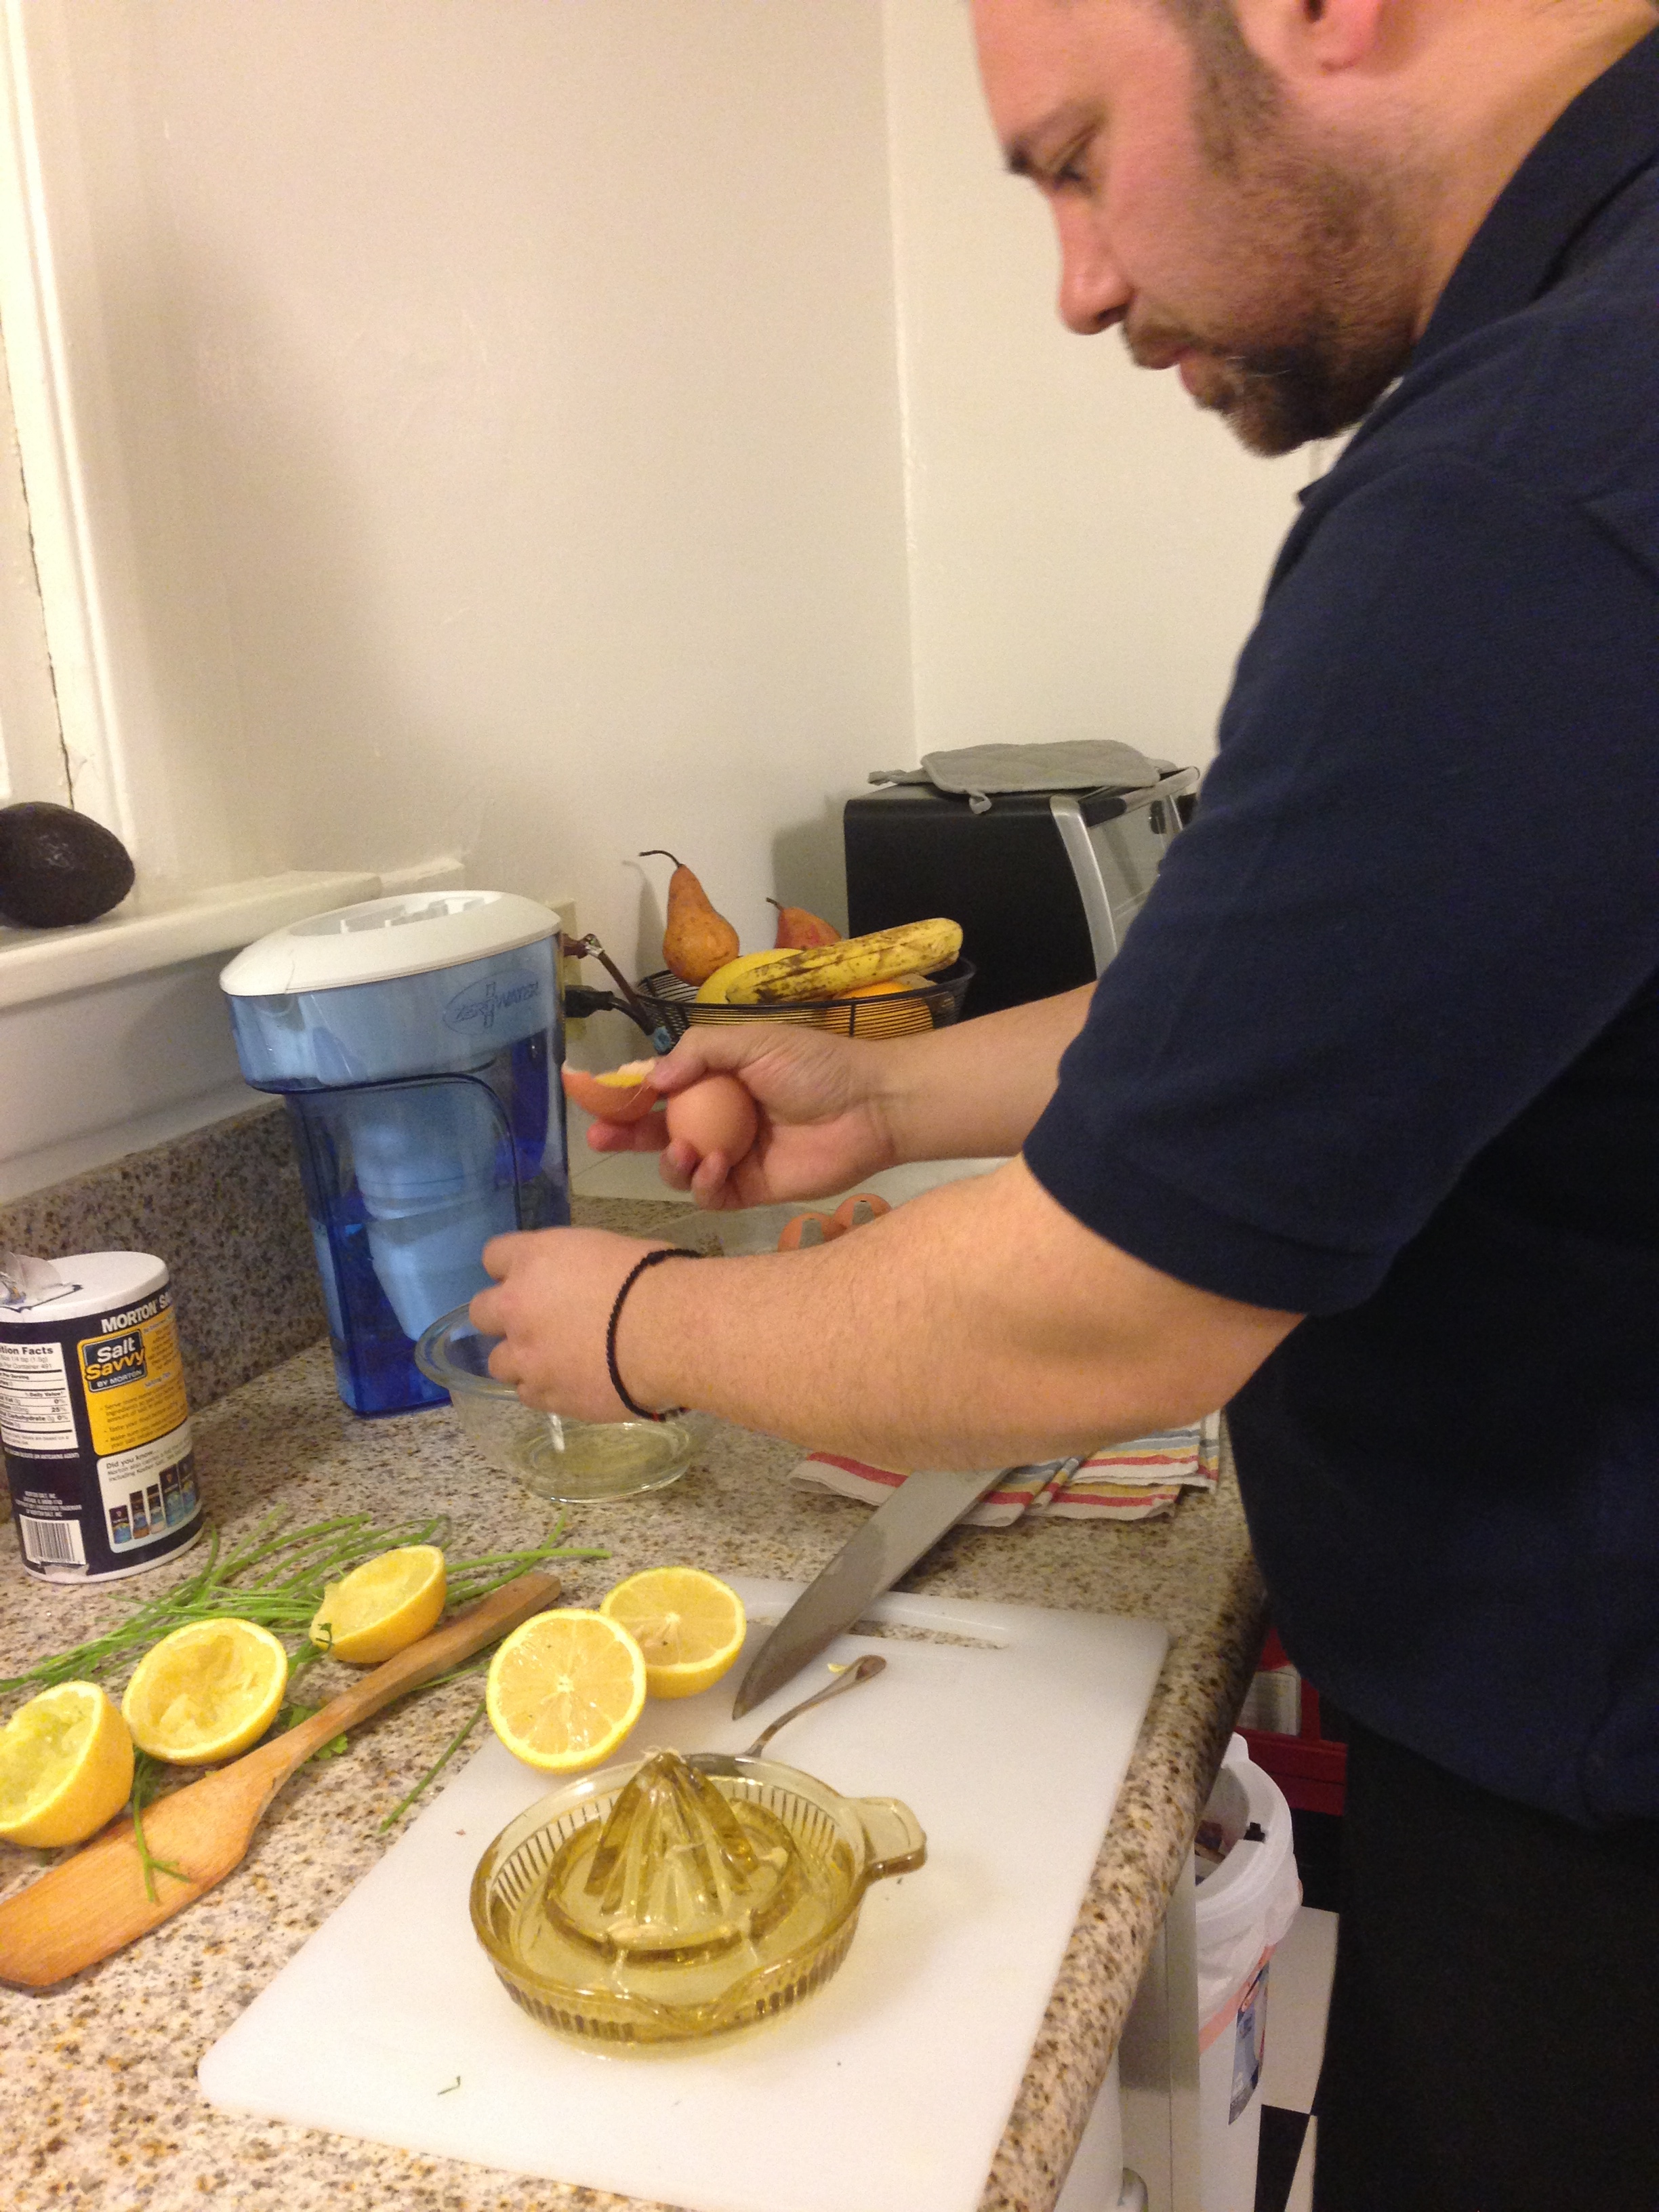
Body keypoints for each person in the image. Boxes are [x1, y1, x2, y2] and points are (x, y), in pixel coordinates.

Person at [472, 2, 1659, 2203]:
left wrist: (644, 1325)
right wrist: (890, 1089)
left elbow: (1119, 1305)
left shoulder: (1528, 483)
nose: (1081, 287)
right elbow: (1317, 1013)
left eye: (1078, 158)